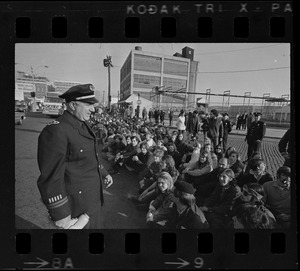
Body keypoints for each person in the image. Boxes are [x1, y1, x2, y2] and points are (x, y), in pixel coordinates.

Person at [37, 84, 113, 229]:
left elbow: (90, 156)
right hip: (76, 206)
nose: (93, 109)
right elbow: (51, 175)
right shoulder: (56, 130)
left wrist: (104, 173)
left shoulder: (84, 124)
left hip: (93, 200)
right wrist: (60, 213)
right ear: (72, 105)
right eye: (89, 104)